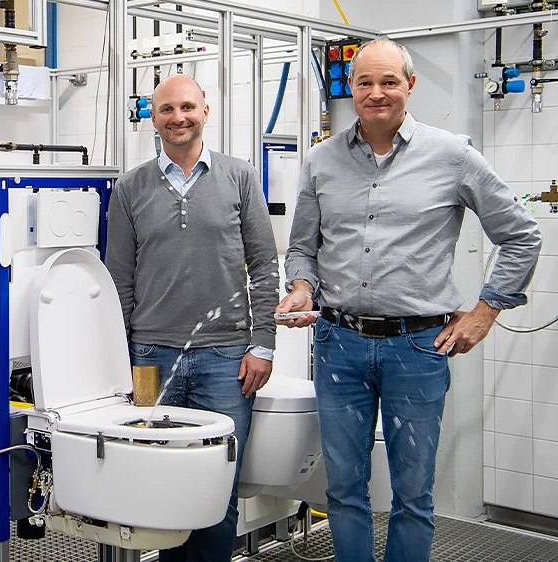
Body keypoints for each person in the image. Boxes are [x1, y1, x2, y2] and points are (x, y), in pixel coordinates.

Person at [277, 39, 542, 562]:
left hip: (417, 347)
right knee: (343, 491)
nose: (376, 94)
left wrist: (487, 311)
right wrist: (302, 287)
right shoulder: (321, 160)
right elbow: (302, 247)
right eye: (364, 83)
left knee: (414, 494)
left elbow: (522, 233)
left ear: (410, 86)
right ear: (350, 88)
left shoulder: (452, 155)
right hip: (338, 344)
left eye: (389, 82)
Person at [105, 73, 280, 561]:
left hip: (226, 359)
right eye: (165, 110)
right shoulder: (130, 187)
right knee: (158, 491)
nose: (177, 118)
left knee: (216, 492)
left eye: (186, 107)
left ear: (206, 109)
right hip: (150, 357)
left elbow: (266, 266)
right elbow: (119, 277)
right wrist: (119, 356)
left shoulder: (239, 177)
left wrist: (262, 343)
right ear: (151, 116)